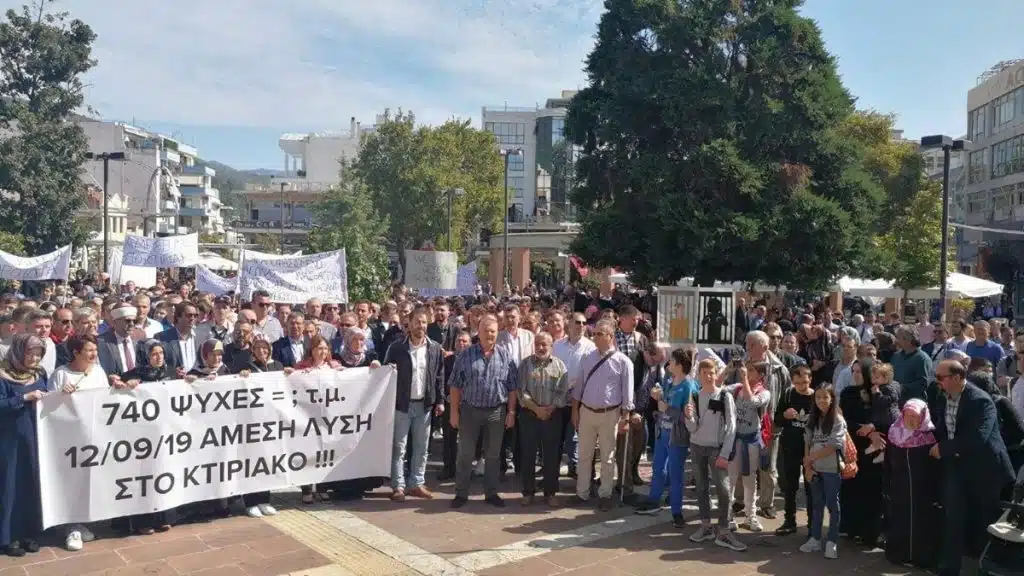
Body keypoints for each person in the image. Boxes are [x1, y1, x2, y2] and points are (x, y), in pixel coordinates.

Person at [932, 359, 1016, 576]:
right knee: (953, 517)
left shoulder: (980, 401)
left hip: (985, 469)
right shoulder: (943, 397)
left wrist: (944, 448)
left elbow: (978, 437)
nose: (936, 382)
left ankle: (987, 567)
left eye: (940, 377)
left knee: (985, 520)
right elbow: (942, 428)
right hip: (957, 466)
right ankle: (949, 568)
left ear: (957, 378)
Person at [449, 315, 518, 509]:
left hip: (496, 412)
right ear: (478, 333)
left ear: (497, 333)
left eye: (493, 331)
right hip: (470, 411)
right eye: (486, 331)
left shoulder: (505, 355)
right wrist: (454, 412)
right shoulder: (466, 355)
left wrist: (511, 412)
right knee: (465, 454)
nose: (489, 334)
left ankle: (491, 493)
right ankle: (461, 493)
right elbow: (455, 385)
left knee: (493, 455)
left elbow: (512, 387)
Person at [685, 358, 744, 552]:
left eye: (711, 373)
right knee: (701, 488)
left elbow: (731, 427)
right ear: (699, 376)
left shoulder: (724, 396)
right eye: (704, 373)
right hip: (697, 447)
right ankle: (706, 526)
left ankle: (724, 530)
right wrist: (688, 416)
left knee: (723, 490)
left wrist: (724, 454)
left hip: (716, 449)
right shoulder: (695, 396)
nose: (709, 377)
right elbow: (692, 428)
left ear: (716, 373)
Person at [635, 348, 697, 528]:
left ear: (679, 365)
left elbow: (690, 417)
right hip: (662, 432)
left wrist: (666, 409)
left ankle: (677, 511)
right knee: (658, 467)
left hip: (677, 436)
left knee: (675, 473)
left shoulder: (689, 386)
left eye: (672, 361)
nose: (668, 364)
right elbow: (665, 403)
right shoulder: (669, 381)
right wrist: (659, 397)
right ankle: (654, 500)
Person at [0, 334, 46, 557]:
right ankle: (8, 537)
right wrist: (24, 398)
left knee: (31, 484)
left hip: (35, 437)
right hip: (9, 440)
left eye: (38, 354)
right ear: (18, 351)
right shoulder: (3, 375)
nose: (34, 359)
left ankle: (29, 533)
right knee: (10, 486)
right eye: (30, 353)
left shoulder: (39, 373)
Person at [234, 336, 287, 517]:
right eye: (258, 348)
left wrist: (290, 373)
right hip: (251, 422)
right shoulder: (247, 367)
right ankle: (250, 502)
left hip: (271, 422)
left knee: (267, 462)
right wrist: (242, 376)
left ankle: (265, 500)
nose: (262, 351)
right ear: (253, 351)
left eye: (265, 348)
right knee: (252, 462)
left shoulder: (277, 366)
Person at [885, 399, 941, 570]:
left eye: (915, 416)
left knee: (922, 523)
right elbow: (887, 462)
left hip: (922, 490)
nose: (910, 419)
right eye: (907, 415)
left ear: (923, 417)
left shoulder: (930, 437)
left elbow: (936, 468)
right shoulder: (894, 433)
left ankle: (920, 558)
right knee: (899, 520)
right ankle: (898, 554)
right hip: (898, 488)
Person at [517, 331, 570, 507]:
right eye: (538, 344)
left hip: (552, 415)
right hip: (530, 415)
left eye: (544, 344)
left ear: (551, 346)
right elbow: (521, 391)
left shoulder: (560, 366)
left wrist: (551, 408)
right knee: (528, 454)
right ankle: (528, 492)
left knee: (552, 456)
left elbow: (562, 392)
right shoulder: (525, 365)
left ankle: (550, 492)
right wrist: (536, 409)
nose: (540, 348)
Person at [800, 385, 846, 560]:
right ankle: (815, 538)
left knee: (833, 505)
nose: (821, 401)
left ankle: (832, 541)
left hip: (831, 469)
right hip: (815, 469)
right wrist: (808, 466)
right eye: (818, 397)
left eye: (825, 397)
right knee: (816, 505)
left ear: (832, 398)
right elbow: (807, 443)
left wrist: (810, 458)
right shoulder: (812, 419)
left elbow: (833, 446)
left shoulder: (837, 420)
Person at [773, 363, 815, 536]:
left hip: (811, 450)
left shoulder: (816, 397)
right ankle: (789, 521)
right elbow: (776, 418)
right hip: (790, 446)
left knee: (811, 487)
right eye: (797, 383)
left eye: (804, 382)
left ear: (810, 379)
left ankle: (813, 523)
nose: (801, 387)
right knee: (790, 487)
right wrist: (784, 415)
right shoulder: (789, 394)